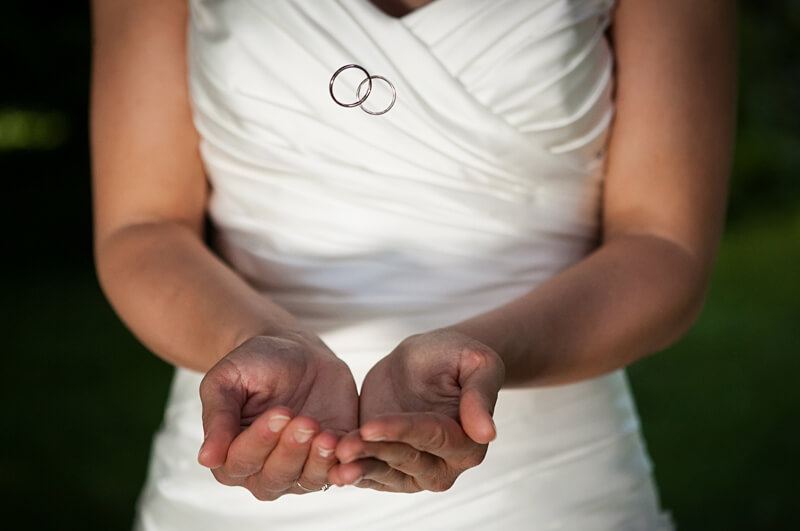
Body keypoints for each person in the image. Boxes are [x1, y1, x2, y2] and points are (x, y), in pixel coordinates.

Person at [90, 0, 736, 529]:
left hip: (547, 485)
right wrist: (256, 341)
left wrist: (486, 349)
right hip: (248, 442)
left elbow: (663, 243)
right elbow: (143, 227)